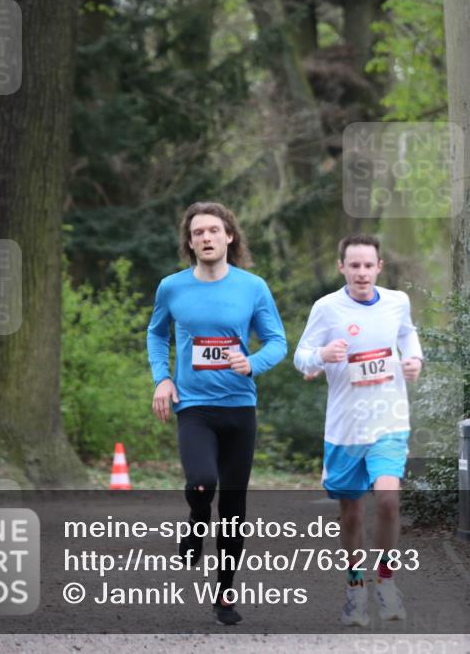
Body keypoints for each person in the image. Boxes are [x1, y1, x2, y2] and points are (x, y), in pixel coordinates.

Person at [147, 201, 287, 626]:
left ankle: (224, 594)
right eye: (198, 233)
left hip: (239, 408)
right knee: (203, 482)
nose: (206, 237)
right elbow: (157, 334)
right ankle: (196, 519)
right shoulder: (172, 287)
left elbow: (277, 342)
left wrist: (252, 363)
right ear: (189, 243)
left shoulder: (252, 287)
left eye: (213, 230)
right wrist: (162, 378)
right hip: (194, 407)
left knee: (234, 507)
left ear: (229, 236)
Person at [294, 234, 423, 626]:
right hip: (345, 428)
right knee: (350, 515)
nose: (362, 273)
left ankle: (386, 580)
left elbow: (407, 334)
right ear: (342, 268)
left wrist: (414, 359)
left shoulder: (397, 302)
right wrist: (321, 355)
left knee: (388, 501)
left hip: (389, 420)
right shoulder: (326, 308)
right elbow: (301, 357)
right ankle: (355, 587)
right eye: (354, 265)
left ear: (379, 267)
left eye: (368, 265)